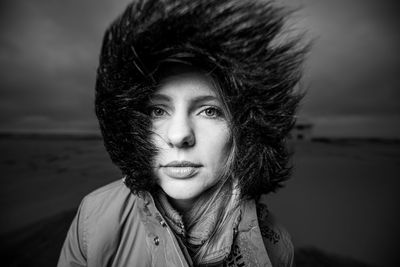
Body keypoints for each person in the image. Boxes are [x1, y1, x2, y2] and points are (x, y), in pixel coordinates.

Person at [58, 0, 308, 266]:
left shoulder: (275, 246)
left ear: (245, 131)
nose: (178, 136)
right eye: (157, 111)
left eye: (210, 111)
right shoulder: (94, 219)